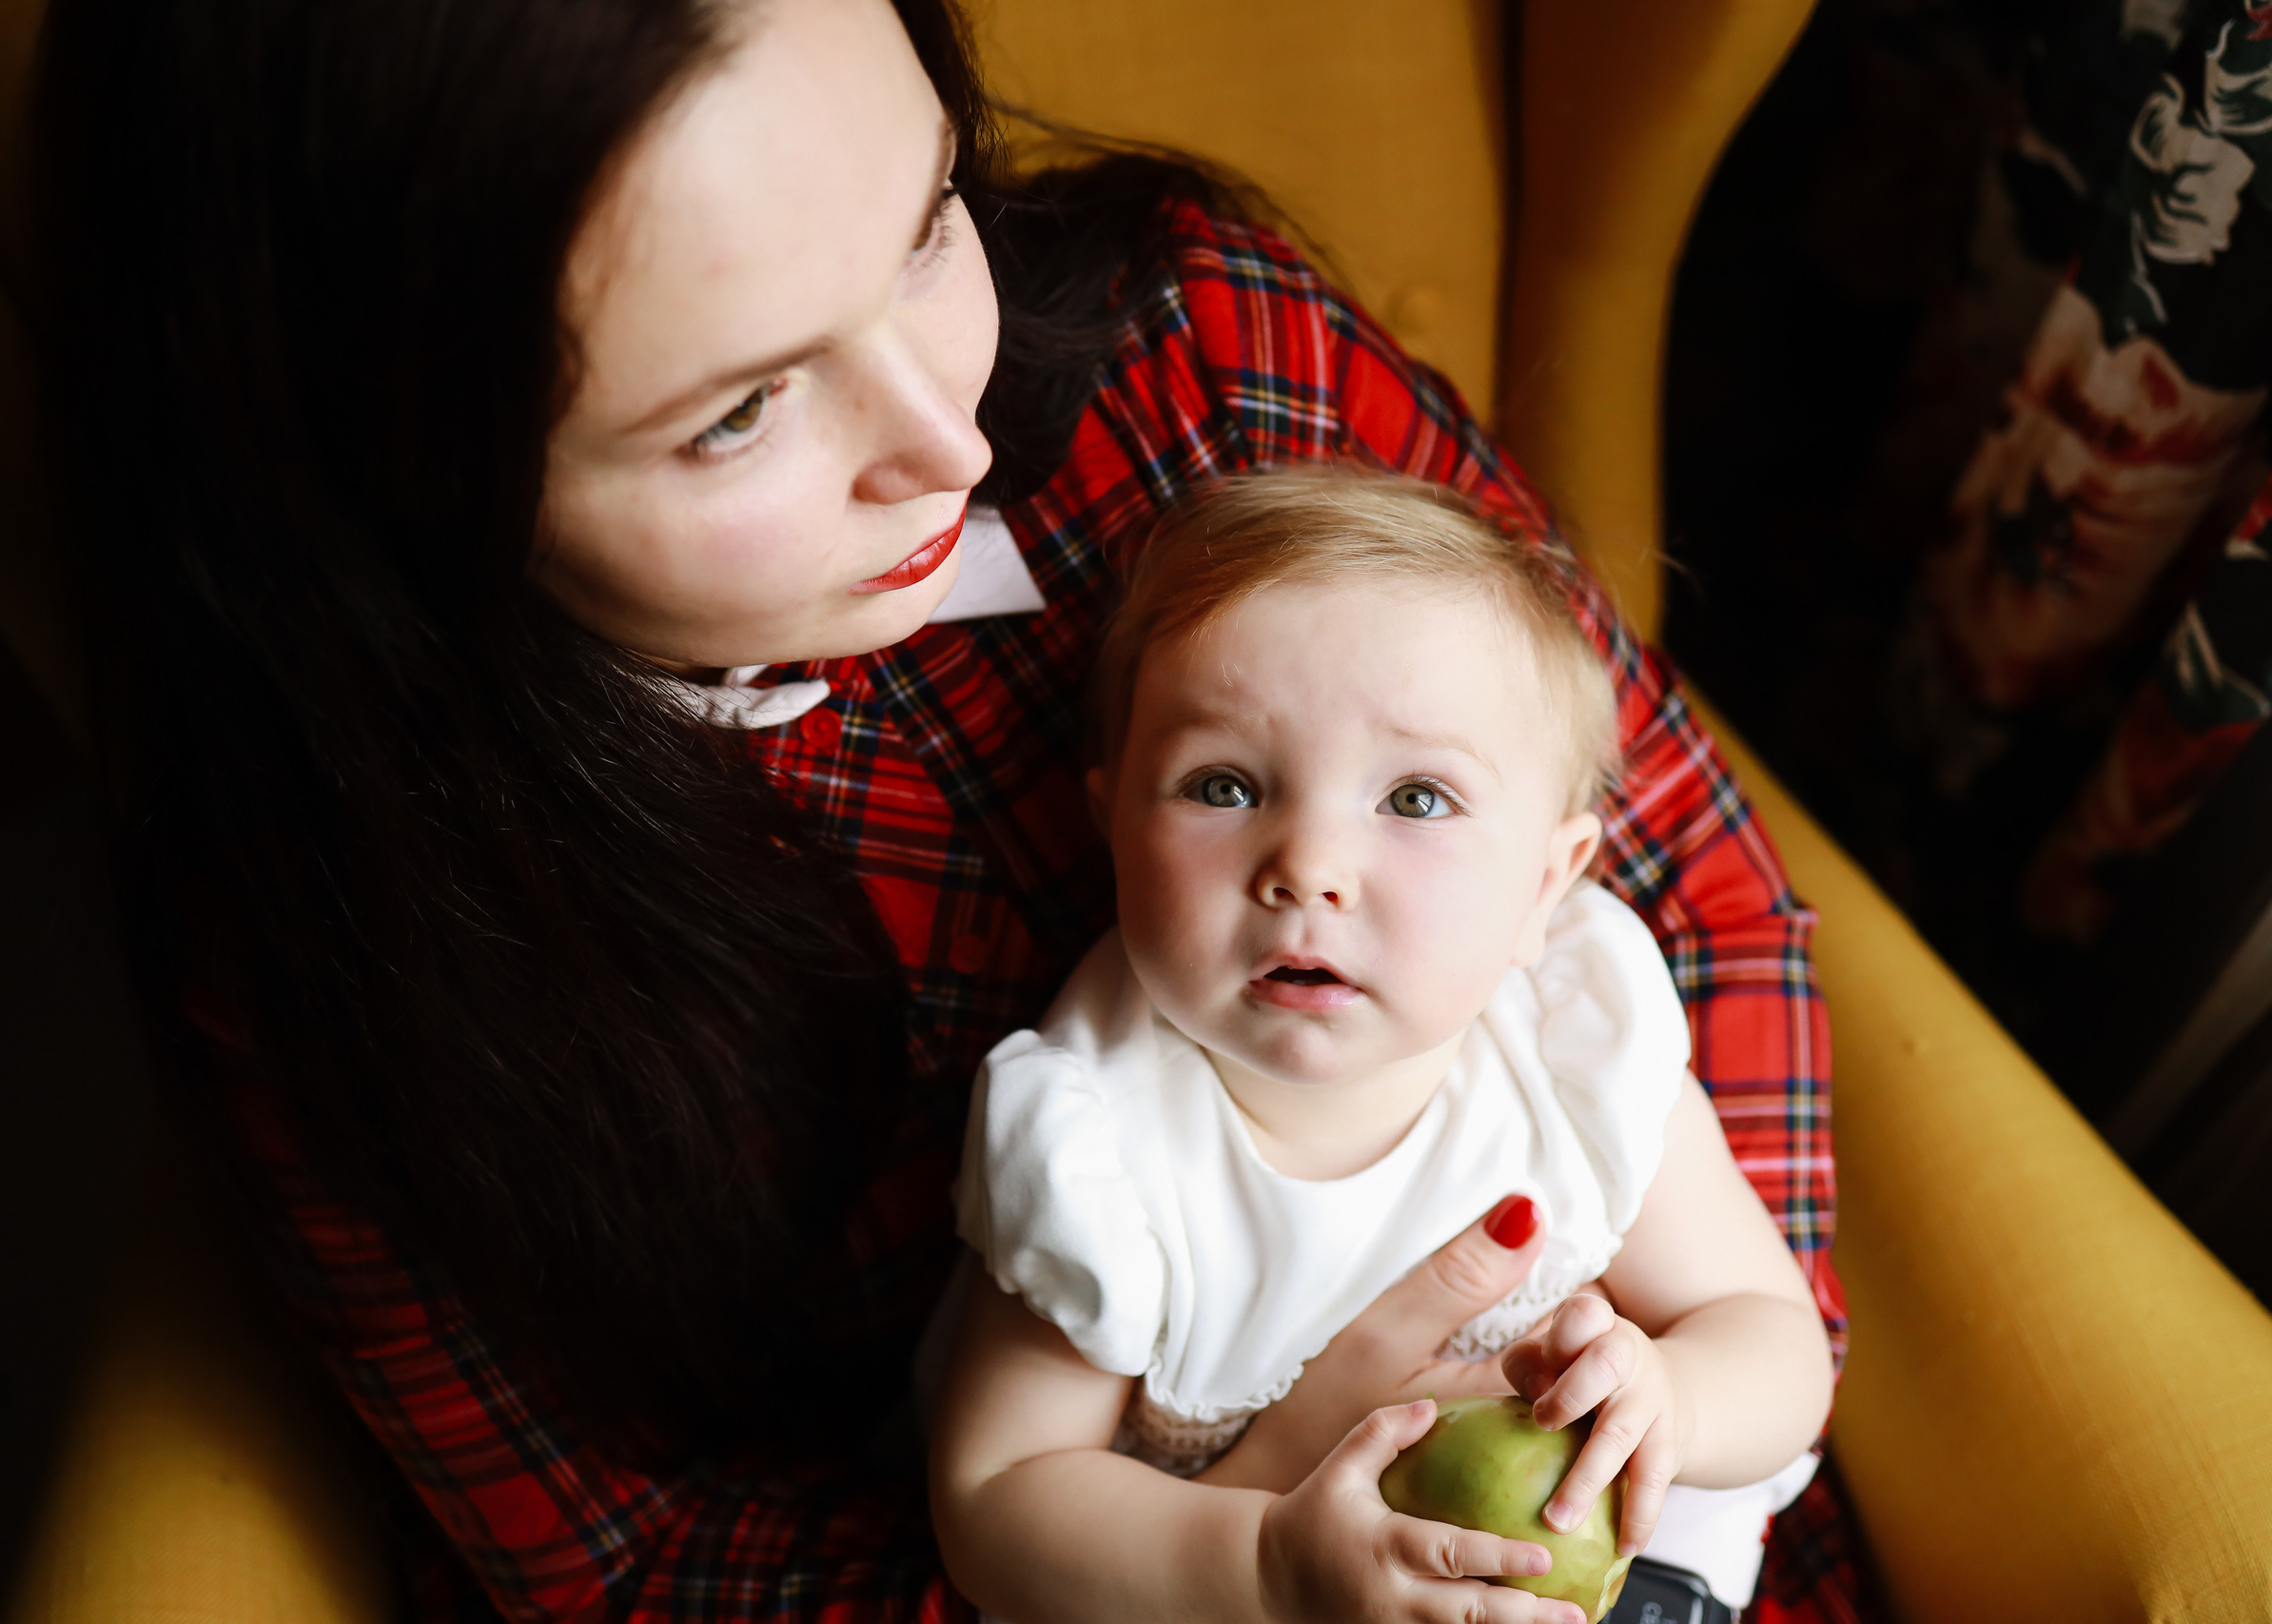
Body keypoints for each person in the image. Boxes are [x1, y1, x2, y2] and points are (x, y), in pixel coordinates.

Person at [30, 0, 1849, 1616]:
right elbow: (648, 1563)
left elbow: (1697, 884)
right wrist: (1248, 1519)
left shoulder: (1194, 357)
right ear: (402, 476)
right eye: (738, 413)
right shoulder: (349, 942)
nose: (950, 441)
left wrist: (1676, 1395)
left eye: (920, 235)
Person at [932, 470, 1834, 1621]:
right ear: (1111, 824)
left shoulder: (1572, 1053)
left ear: (1543, 889)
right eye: (1223, 785)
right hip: (1243, 1580)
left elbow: (1772, 1338)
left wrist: (1674, 1402)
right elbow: (998, 1500)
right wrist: (1261, 1567)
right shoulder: (1096, 1143)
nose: (1306, 864)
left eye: (1414, 800)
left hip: (1593, 1550)